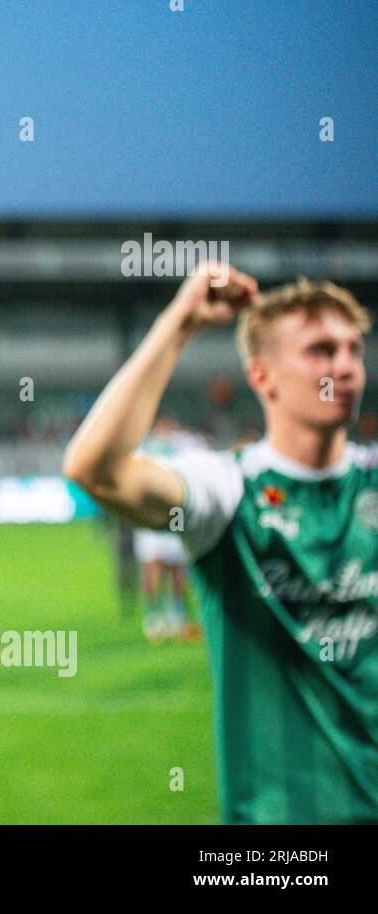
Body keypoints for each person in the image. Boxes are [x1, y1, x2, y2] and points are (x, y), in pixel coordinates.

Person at [64, 263, 377, 823]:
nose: (347, 368)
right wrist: (180, 322)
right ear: (262, 376)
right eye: (322, 351)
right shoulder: (229, 489)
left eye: (354, 349)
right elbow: (96, 470)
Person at [132, 417, 203, 642]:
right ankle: (155, 617)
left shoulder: (163, 448)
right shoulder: (146, 449)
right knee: (154, 565)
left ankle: (175, 617)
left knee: (175, 567)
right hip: (155, 516)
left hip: (170, 515)